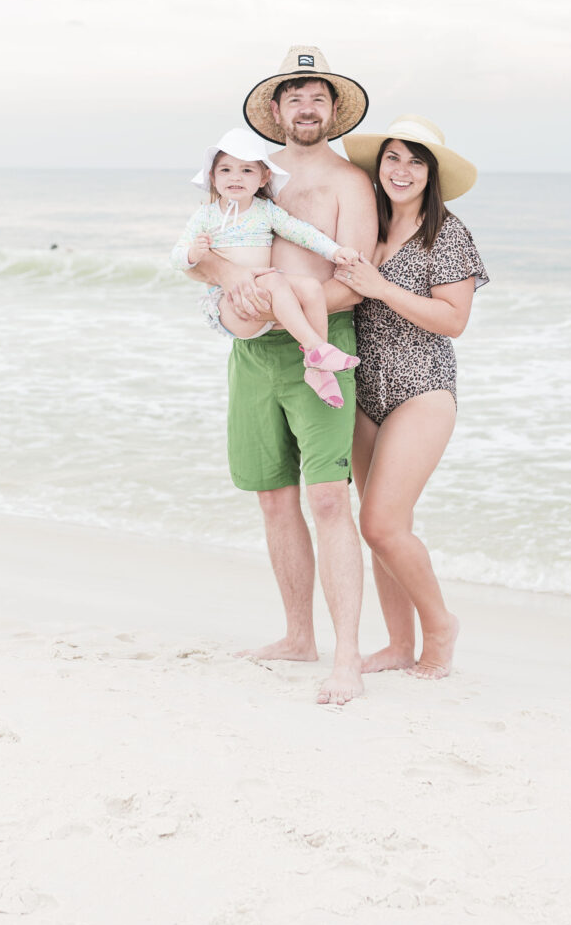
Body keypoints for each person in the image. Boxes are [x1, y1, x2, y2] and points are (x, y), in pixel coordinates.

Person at [181, 46, 378, 705]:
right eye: (294, 96)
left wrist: (292, 306)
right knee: (272, 497)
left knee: (328, 498)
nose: (305, 107)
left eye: (317, 97)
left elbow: (355, 279)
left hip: (323, 342)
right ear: (275, 108)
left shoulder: (350, 183)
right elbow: (203, 256)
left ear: (332, 109)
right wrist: (241, 288)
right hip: (252, 348)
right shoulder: (245, 174)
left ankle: (346, 656)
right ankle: (299, 636)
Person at [336, 115, 488, 679]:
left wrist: (379, 286)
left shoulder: (445, 232)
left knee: (381, 524)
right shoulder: (365, 226)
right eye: (393, 158)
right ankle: (400, 644)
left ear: (432, 173)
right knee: (382, 527)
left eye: (415, 161)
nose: (402, 170)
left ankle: (440, 625)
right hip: (363, 387)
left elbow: (454, 320)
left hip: (421, 387)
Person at [170, 127, 359, 407]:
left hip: (265, 293)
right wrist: (192, 253)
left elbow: (301, 232)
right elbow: (175, 256)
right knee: (273, 281)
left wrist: (336, 251)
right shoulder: (206, 216)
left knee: (309, 287)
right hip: (228, 303)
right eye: (226, 170)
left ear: (263, 177)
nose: (235, 177)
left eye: (247, 170)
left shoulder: (265, 211)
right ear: (213, 177)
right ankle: (317, 349)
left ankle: (317, 370)